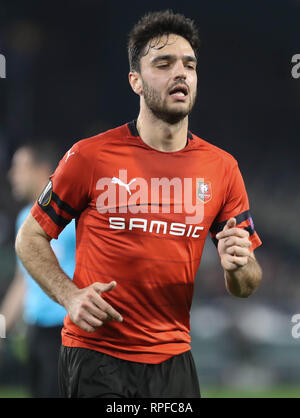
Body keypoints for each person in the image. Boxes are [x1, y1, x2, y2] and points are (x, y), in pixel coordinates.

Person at [15, 10, 263, 398]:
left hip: (174, 361)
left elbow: (246, 285)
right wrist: (70, 296)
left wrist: (240, 265)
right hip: (97, 355)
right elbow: (29, 237)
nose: (180, 73)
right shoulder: (89, 156)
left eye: (189, 65)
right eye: (163, 64)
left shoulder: (222, 168)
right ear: (136, 80)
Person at [0, 142, 76, 397]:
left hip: (70, 331)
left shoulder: (76, 214)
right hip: (37, 333)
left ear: (42, 169)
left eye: (20, 167)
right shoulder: (25, 219)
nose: (12, 175)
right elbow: (24, 282)